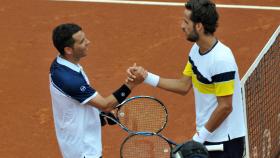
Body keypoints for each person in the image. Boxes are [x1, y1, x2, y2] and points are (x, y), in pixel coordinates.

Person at [127, 0, 246, 157]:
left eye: (186, 21)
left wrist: (198, 138)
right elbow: (183, 85)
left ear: (199, 26)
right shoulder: (197, 50)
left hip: (225, 142)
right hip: (208, 136)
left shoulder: (221, 59)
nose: (182, 26)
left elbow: (225, 107)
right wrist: (146, 77)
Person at [49, 23, 143, 158]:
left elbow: (78, 100)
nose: (88, 42)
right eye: (82, 42)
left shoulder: (62, 64)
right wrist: (131, 84)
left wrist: (99, 114)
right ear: (68, 50)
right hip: (83, 150)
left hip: (80, 142)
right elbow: (106, 104)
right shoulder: (69, 79)